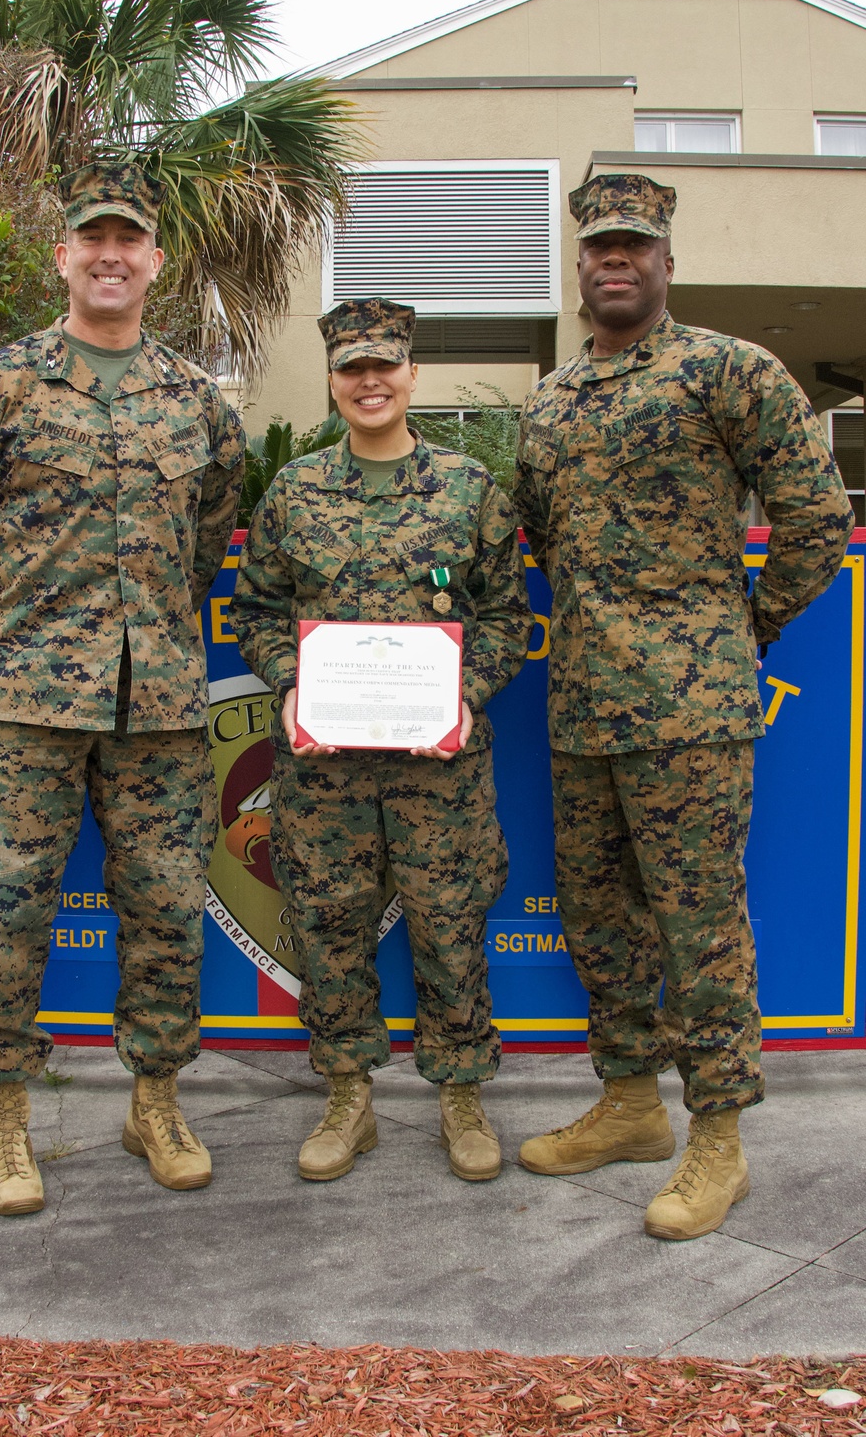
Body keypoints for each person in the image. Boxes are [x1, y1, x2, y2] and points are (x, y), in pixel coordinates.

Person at [513, 173, 854, 1239]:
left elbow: (813, 519)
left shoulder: (727, 371)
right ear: (580, 268)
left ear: (665, 262)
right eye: (598, 249)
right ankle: (629, 1103)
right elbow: (539, 530)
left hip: (690, 716)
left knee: (698, 929)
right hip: (583, 710)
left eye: (634, 247)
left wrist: (737, 633)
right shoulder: (554, 400)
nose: (614, 262)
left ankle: (717, 1136)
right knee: (598, 917)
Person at [0, 163, 244, 1215]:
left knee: (163, 907)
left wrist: (140, 634)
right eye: (90, 239)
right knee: (9, 913)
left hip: (158, 711)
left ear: (155, 262)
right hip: (24, 707)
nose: (110, 255)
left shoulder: (195, 402)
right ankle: (5, 1115)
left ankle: (155, 1100)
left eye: (129, 241)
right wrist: (24, 634)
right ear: (63, 257)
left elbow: (203, 541)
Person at [232, 298, 532, 1183]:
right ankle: (347, 1096)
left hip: (439, 767)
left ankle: (463, 1094)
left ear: (411, 376)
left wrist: (468, 694)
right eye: (352, 369)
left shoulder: (469, 491)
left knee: (450, 923)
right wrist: (289, 687)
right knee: (328, 925)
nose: (370, 382)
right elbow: (256, 611)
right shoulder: (294, 492)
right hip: (323, 769)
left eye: (384, 367)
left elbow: (508, 618)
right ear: (332, 382)